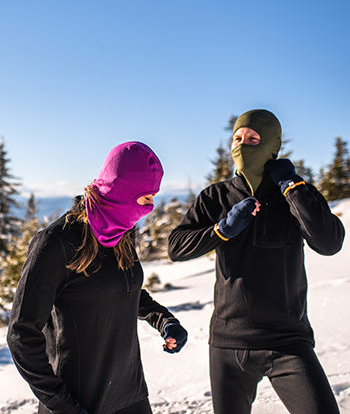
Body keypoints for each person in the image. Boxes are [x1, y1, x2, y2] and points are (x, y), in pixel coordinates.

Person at [168, 109, 345, 414]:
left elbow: (329, 243)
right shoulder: (216, 196)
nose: (242, 146)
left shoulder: (293, 195)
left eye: (253, 139)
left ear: (272, 146)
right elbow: (176, 247)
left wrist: (292, 188)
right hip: (229, 344)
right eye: (237, 139)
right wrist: (220, 231)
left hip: (288, 343)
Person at [7, 141, 188, 414]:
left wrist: (165, 320)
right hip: (79, 403)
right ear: (123, 190)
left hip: (131, 395)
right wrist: (63, 405)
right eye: (146, 197)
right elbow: (21, 334)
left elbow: (124, 289)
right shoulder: (57, 242)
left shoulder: (123, 232)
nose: (150, 207)